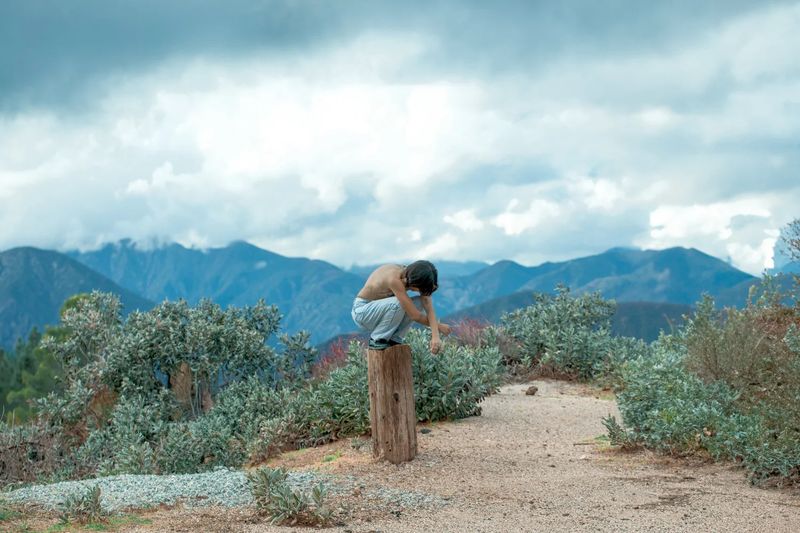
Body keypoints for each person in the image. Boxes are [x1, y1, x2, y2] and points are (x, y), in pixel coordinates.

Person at [351, 260, 451, 353]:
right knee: (398, 304)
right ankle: (377, 340)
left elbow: (427, 304)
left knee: (418, 302)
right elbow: (415, 316)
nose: (421, 292)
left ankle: (394, 339)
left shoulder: (413, 274)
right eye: (421, 289)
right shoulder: (394, 279)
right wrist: (439, 326)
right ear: (415, 284)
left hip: (380, 311)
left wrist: (435, 337)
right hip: (362, 312)